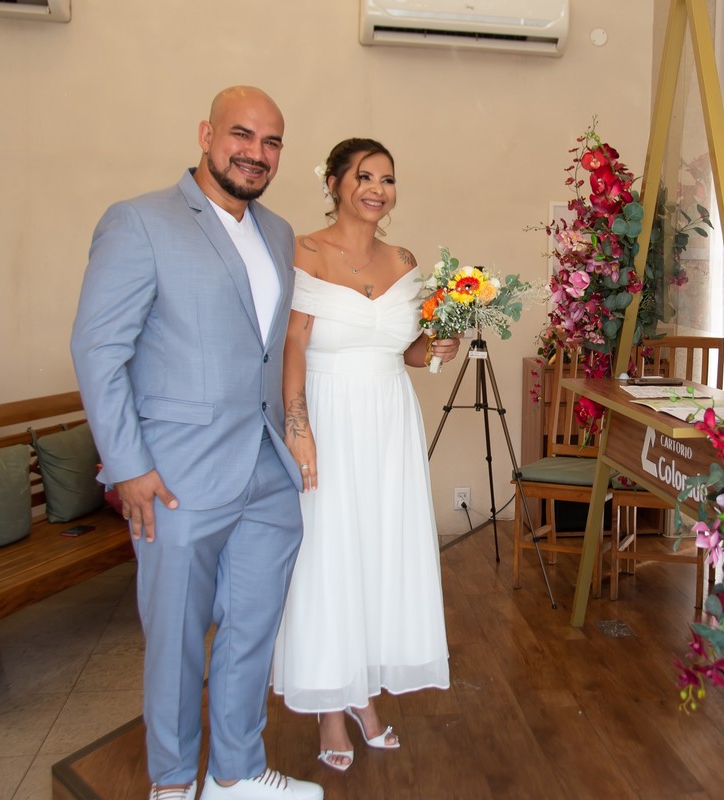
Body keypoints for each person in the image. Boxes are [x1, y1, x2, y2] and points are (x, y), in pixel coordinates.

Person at [70, 87, 323, 800]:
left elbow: (269, 351)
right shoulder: (139, 221)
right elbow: (98, 350)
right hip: (176, 478)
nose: (256, 153)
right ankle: (173, 782)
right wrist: (128, 466)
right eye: (242, 135)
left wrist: (292, 434)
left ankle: (235, 772)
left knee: (252, 632)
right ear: (207, 135)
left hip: (265, 473)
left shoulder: (277, 232)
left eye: (272, 142)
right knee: (176, 641)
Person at [271, 138, 458, 772]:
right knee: (328, 555)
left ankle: (364, 693)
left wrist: (438, 346)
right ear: (334, 183)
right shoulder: (305, 250)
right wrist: (298, 427)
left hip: (389, 422)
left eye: (388, 179)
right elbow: (293, 346)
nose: (378, 189)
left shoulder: (404, 260)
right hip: (328, 416)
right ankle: (330, 706)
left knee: (379, 552)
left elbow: (406, 351)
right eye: (364, 176)